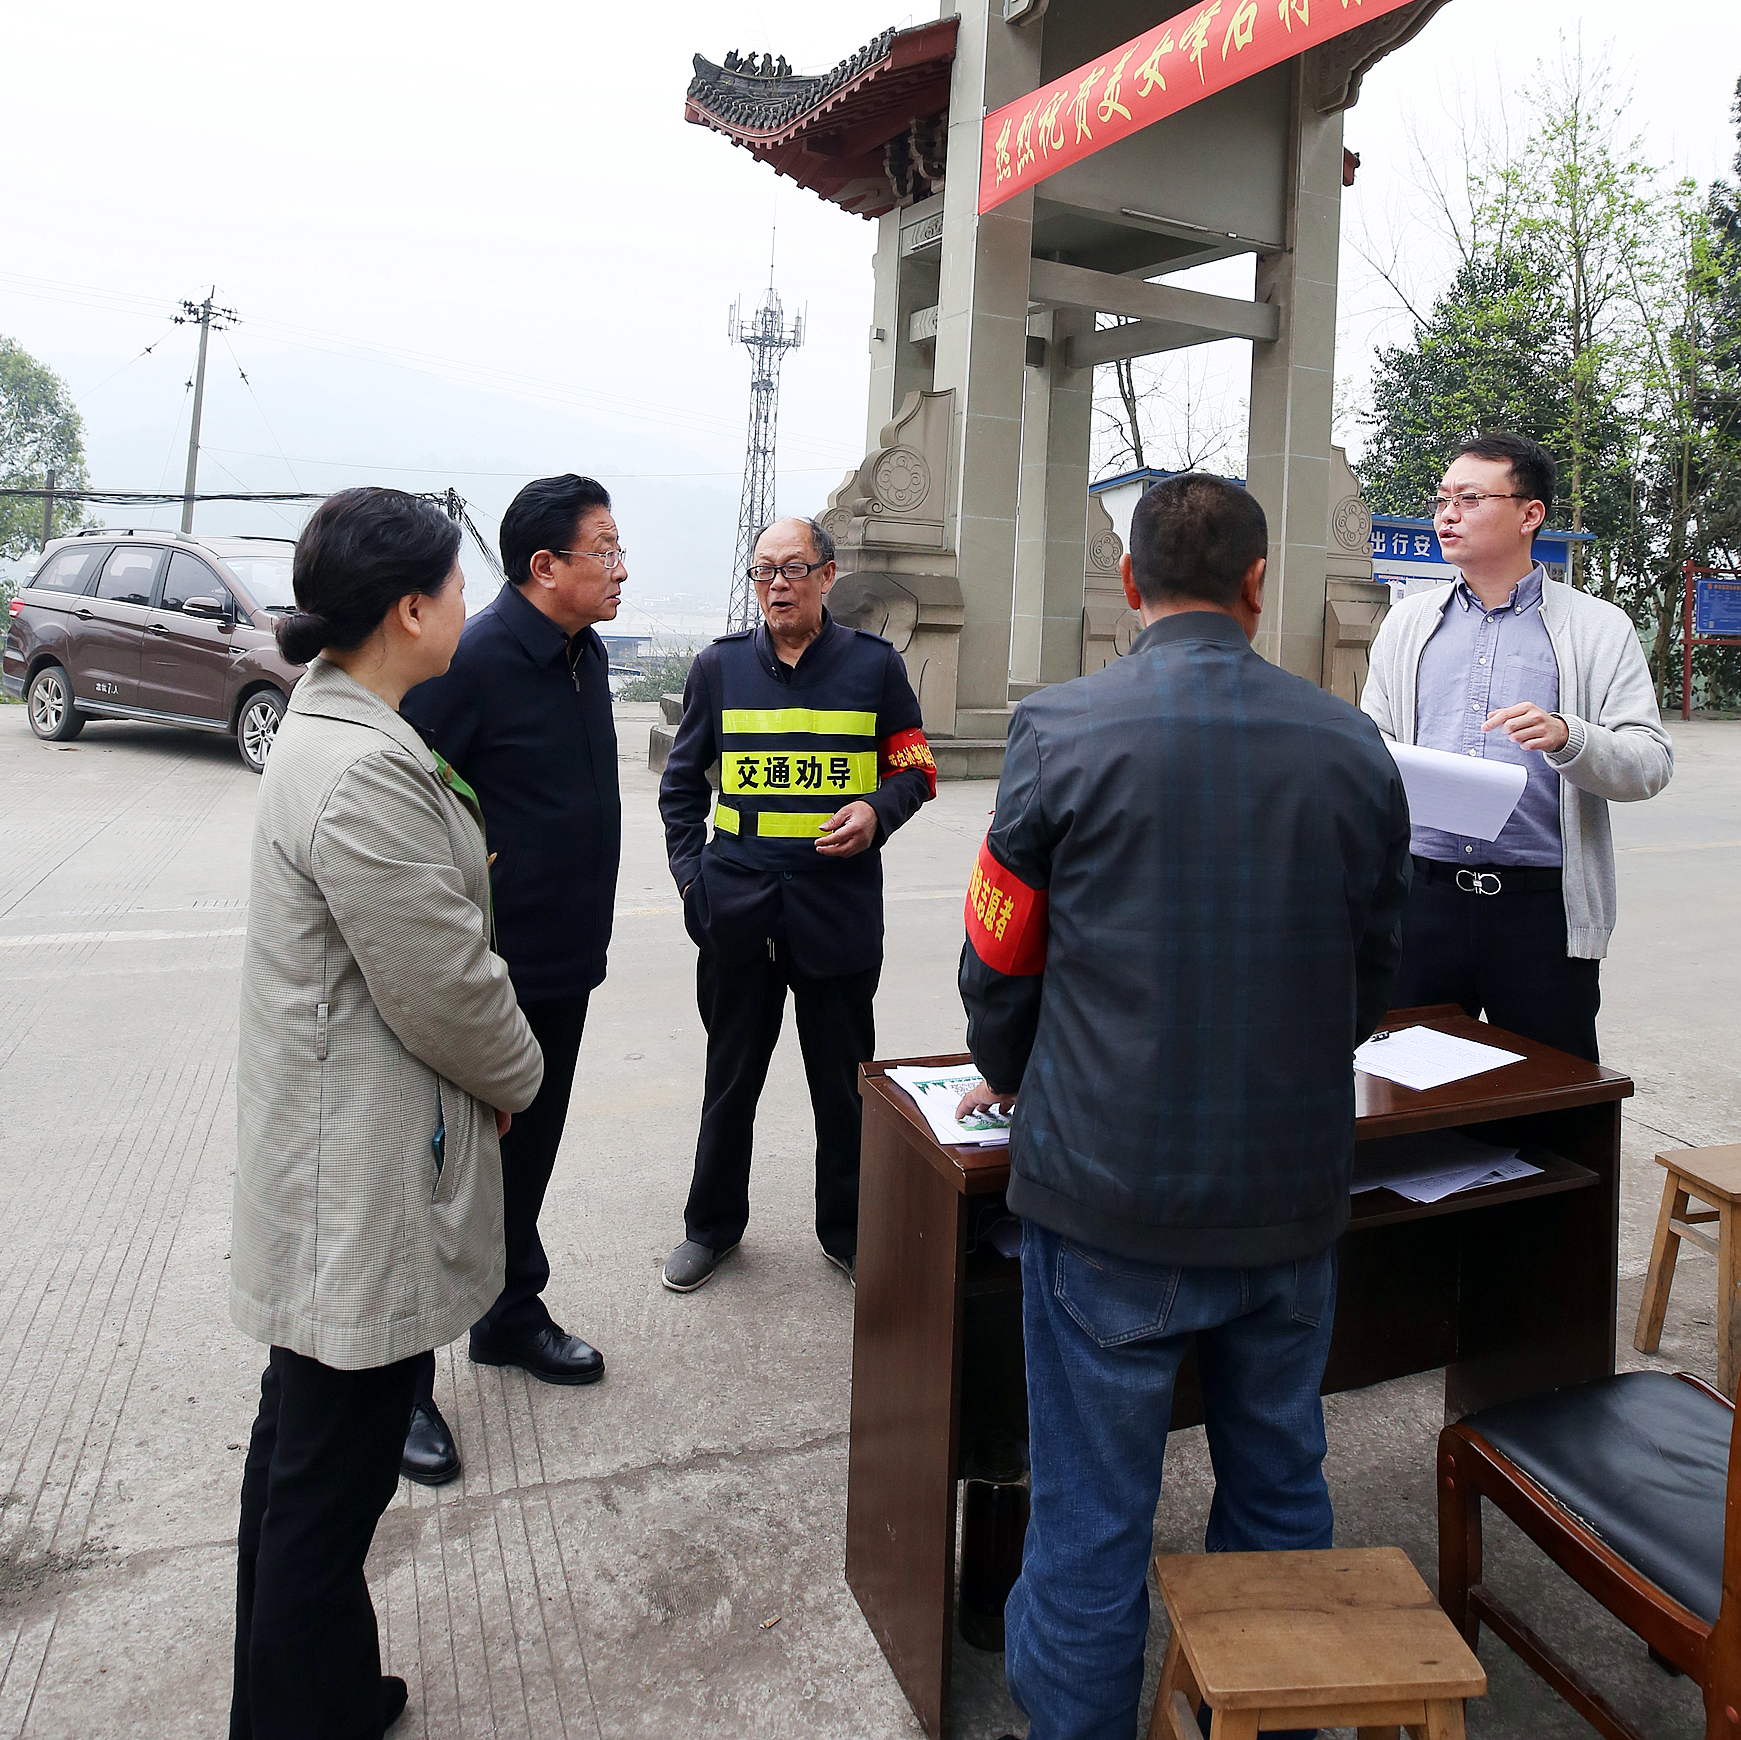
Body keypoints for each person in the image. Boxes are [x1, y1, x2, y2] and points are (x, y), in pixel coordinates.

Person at [957, 474, 1410, 1740]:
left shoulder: (1057, 730)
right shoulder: (1350, 744)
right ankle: (1271, 1718)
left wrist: (1016, 1071)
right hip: (1289, 1196)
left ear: (1128, 582)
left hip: (1107, 1197)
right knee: (1280, 1488)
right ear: (1259, 585)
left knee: (1090, 1517)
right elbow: (1374, 967)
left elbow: (998, 959)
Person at [229, 488, 541, 1740]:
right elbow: (446, 987)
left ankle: (315, 1695)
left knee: (301, 1460)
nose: (468, 605)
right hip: (354, 1179)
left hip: (336, 1155)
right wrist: (516, 1077)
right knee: (326, 1483)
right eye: (457, 587)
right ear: (409, 610)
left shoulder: (340, 726)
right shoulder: (362, 770)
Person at [398, 473, 625, 1483]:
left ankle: (507, 1312)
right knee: (446, 1179)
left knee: (527, 1159)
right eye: (604, 551)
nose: (618, 570)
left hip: (567, 960)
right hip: (489, 977)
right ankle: (400, 1383)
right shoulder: (476, 660)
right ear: (544, 566)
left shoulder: (584, 655)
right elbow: (411, 814)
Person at [658, 514, 936, 1291]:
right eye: (763, 571)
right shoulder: (718, 669)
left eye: (791, 568)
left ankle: (848, 1231)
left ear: (826, 575)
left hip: (835, 913)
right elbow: (680, 789)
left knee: (843, 1089)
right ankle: (710, 1227)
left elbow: (916, 768)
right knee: (729, 1081)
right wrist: (693, 883)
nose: (776, 584)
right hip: (737, 913)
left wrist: (878, 809)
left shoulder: (876, 668)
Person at [1361, 430, 1672, 1064]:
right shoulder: (1407, 624)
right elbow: (1376, 744)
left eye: (1470, 499)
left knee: (1552, 1097)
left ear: (1530, 514)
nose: (1447, 514)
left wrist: (1568, 737)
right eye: (1443, 498)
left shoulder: (1597, 628)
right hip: (1422, 901)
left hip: (1541, 911)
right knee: (1404, 1089)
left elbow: (1649, 762)